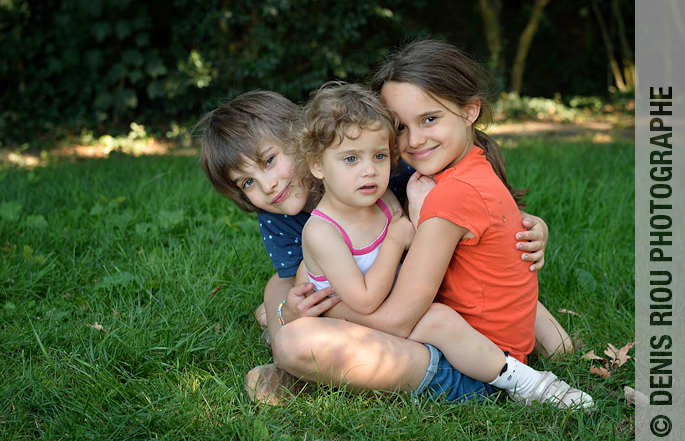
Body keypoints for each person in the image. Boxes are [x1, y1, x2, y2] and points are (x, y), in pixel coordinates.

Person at [196, 87, 571, 406]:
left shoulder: (381, 169)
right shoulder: (280, 216)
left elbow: (478, 204)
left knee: (558, 345)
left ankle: (315, 368)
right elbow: (302, 283)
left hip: (436, 282)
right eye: (247, 183)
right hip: (376, 297)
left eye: (269, 161)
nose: (267, 186)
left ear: (302, 139)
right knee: (281, 304)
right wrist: (288, 312)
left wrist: (535, 226)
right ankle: (298, 367)